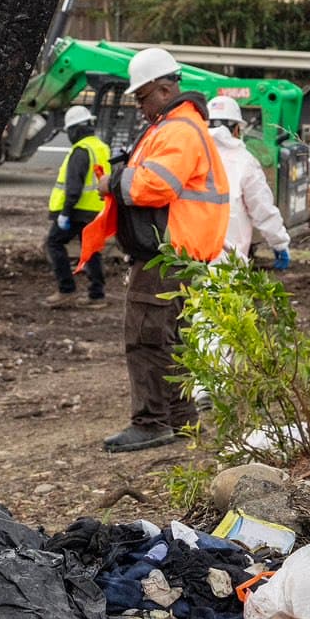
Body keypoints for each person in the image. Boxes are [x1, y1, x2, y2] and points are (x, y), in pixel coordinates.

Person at [97, 47, 231, 453]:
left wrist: (113, 182)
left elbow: (156, 186)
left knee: (146, 336)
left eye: (142, 97)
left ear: (165, 88)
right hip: (181, 254)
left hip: (166, 255)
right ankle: (180, 420)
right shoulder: (181, 127)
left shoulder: (178, 130)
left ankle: (151, 422)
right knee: (172, 340)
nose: (140, 107)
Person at [206, 96, 292, 267]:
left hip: (189, 256)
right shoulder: (244, 161)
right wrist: (279, 244)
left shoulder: (191, 154)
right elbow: (262, 208)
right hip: (229, 259)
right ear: (237, 129)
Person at [43, 104, 110, 305]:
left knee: (54, 243)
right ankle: (97, 295)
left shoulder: (81, 151)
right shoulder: (101, 147)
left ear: (76, 129)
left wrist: (65, 213)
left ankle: (66, 289)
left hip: (76, 211)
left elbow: (73, 187)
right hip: (95, 210)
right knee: (91, 250)